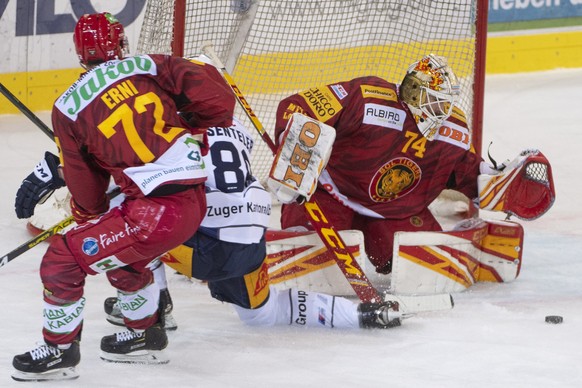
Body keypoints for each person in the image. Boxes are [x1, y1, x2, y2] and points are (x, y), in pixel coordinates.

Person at [11, 12, 236, 381]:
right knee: (122, 256)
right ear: (120, 44)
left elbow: (87, 193)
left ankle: (59, 350)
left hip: (155, 214)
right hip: (190, 201)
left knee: (62, 258)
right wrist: (188, 124)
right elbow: (218, 100)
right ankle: (143, 335)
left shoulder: (68, 108)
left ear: (80, 54)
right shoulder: (150, 66)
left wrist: (88, 215)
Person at [103, 114, 402, 332]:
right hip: (249, 240)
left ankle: (155, 305)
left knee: (124, 215)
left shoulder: (167, 131)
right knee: (261, 314)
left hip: (205, 247)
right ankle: (362, 315)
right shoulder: (237, 127)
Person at [273, 54, 489, 274]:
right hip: (330, 194)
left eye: (445, 103)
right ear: (414, 92)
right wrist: (295, 155)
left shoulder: (453, 128)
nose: (442, 111)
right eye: (435, 101)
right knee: (314, 266)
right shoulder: (366, 96)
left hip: (395, 210)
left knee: (429, 267)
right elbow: (298, 106)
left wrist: (493, 181)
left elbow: (467, 171)